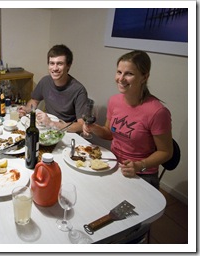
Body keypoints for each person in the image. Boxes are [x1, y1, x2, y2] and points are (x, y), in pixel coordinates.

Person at [83, 50, 173, 189]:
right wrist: (93, 127)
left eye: (129, 74)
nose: (121, 78)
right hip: (113, 164)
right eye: (119, 72)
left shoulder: (157, 112)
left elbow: (166, 152)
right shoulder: (114, 101)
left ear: (144, 77)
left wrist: (139, 165)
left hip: (142, 174)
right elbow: (109, 133)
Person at [18, 44, 88, 133]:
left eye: (60, 64)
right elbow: (34, 101)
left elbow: (81, 125)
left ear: (68, 66)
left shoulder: (79, 90)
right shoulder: (45, 81)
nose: (55, 68)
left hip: (67, 133)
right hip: (47, 129)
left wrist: (52, 124)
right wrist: (27, 109)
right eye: (52, 63)